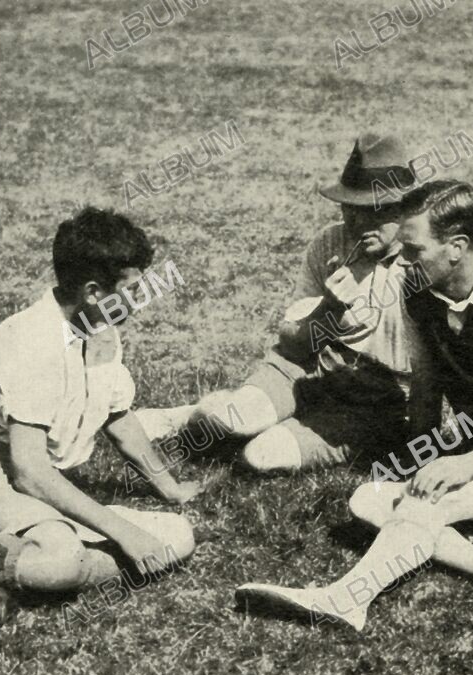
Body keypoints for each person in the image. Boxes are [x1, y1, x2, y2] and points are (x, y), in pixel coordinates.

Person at [236, 180, 473, 628]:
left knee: (426, 503)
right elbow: (428, 385)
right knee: (369, 501)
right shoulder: (419, 294)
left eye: (413, 252)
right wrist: (422, 456)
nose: (402, 263)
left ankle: (348, 599)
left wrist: (465, 464)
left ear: (457, 247)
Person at [0, 208, 199, 626]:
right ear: (93, 291)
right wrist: (124, 533)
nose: (142, 301)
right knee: (62, 556)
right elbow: (30, 472)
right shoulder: (33, 342)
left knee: (177, 535)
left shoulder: (101, 328)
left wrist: (170, 487)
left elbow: (118, 418)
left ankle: (9, 569)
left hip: (31, 482)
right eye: (133, 289)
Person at [136, 133, 427, 473]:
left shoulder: (427, 260)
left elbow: (437, 370)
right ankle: (191, 415)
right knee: (234, 421)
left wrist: (419, 446)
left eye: (376, 211)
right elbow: (294, 343)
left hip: (376, 401)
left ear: (405, 209)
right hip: (309, 368)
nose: (360, 223)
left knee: (261, 457)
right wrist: (330, 309)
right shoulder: (330, 243)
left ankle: (259, 420)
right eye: (352, 208)